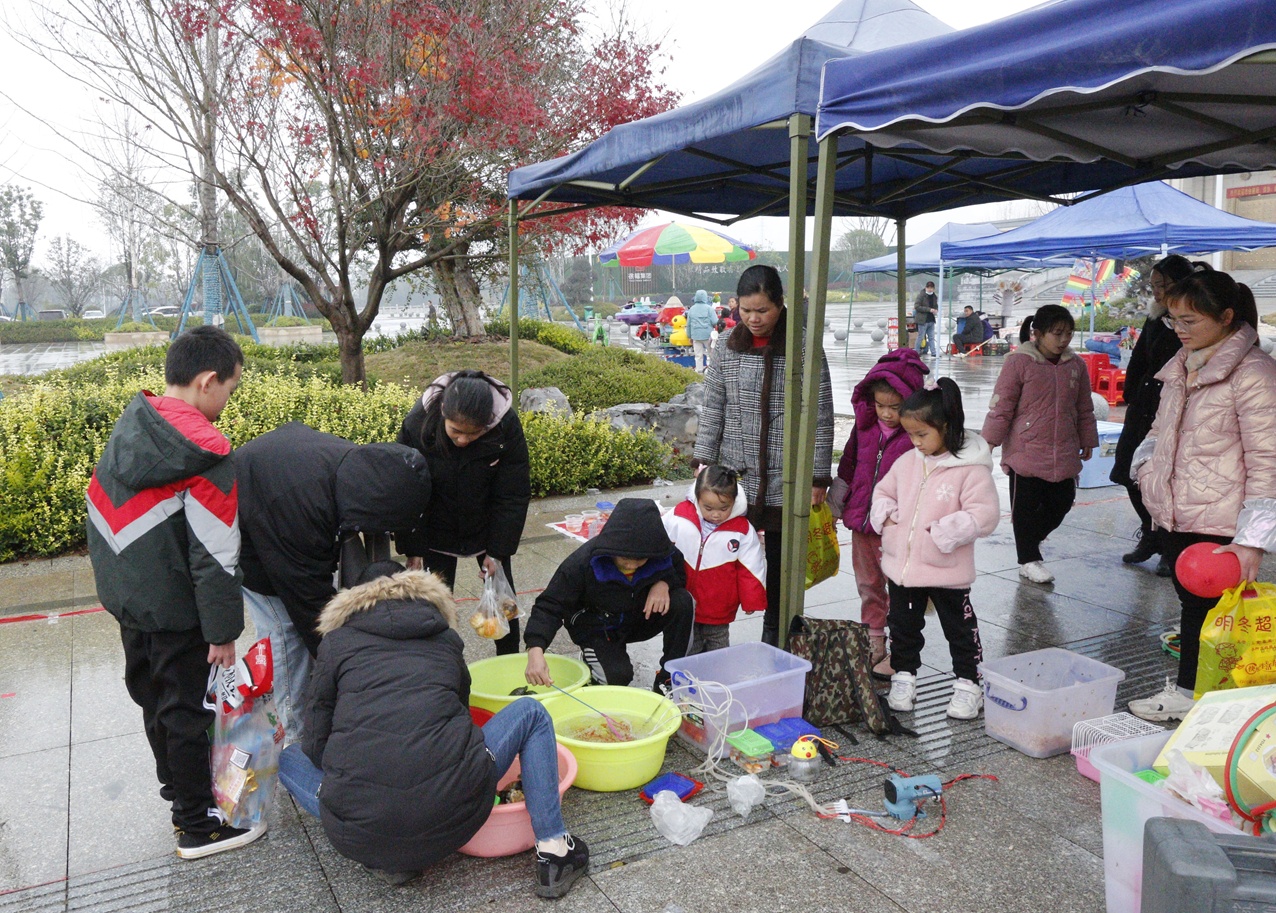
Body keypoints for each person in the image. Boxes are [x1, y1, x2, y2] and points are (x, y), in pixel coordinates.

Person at [278, 562, 590, 897]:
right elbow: (461, 712)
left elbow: (315, 739)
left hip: (361, 836)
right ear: (421, 595)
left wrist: (359, 770)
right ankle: (555, 851)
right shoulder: (444, 638)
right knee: (531, 711)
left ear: (354, 602)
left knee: (289, 758)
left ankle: (395, 859)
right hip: (458, 813)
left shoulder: (336, 645)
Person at [86, 326, 260, 859]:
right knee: (188, 711)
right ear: (208, 381)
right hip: (177, 611)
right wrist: (223, 632)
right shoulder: (206, 457)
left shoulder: (134, 427)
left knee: (155, 702)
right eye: (229, 388)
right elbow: (214, 557)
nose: (227, 402)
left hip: (130, 602)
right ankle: (198, 824)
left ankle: (176, 786)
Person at [1128, 270, 1276, 721]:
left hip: (1220, 518)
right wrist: (1144, 465)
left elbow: (1268, 461)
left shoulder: (1254, 374)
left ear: (1227, 316)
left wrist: (1252, 537)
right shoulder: (1183, 363)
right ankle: (1201, 696)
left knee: (1206, 613)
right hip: (1178, 508)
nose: (1179, 330)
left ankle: (1195, 699)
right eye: (1174, 320)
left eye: (1190, 321)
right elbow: (1161, 427)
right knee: (1195, 609)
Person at [236, 423, 432, 742]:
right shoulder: (302, 508)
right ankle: (295, 741)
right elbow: (309, 600)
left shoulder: (368, 469)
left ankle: (315, 709)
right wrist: (346, 668)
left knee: (316, 640)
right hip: (253, 533)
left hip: (284, 491)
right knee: (286, 634)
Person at [693, 264, 835, 646]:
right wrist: (704, 459)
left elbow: (820, 413)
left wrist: (817, 476)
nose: (754, 319)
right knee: (725, 554)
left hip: (785, 473)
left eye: (763, 311)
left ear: (781, 304)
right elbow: (714, 405)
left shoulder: (804, 345)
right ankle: (709, 630)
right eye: (746, 310)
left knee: (780, 562)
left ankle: (776, 635)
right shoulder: (725, 344)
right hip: (737, 469)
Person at [871, 379, 1000, 720]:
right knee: (902, 627)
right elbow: (883, 492)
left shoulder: (970, 469)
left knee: (959, 630)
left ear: (947, 426)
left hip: (947, 571)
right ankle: (903, 677)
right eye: (910, 434)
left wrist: (946, 532)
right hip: (903, 569)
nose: (915, 442)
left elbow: (985, 515)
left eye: (922, 435)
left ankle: (969, 685)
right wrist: (886, 514)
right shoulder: (908, 461)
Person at [396, 370, 531, 656]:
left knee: (503, 600)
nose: (463, 440)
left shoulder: (506, 425)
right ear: (443, 413)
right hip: (435, 525)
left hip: (486, 522)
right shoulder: (418, 423)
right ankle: (438, 664)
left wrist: (498, 550)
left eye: (474, 433)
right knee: (434, 604)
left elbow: (513, 494)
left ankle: (508, 660)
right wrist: (413, 547)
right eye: (455, 431)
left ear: (489, 423)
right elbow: (406, 490)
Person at [828, 348, 929, 678]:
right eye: (880, 405)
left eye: (895, 407)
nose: (886, 414)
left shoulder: (918, 437)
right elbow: (849, 464)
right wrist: (836, 501)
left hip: (897, 528)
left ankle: (901, 648)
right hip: (863, 523)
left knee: (901, 591)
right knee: (869, 585)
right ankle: (874, 639)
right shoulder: (865, 428)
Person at [524, 497, 693, 691]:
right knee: (616, 678)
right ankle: (596, 659)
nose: (631, 565)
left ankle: (668, 678)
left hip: (638, 617)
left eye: (640, 560)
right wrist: (535, 649)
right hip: (598, 626)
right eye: (625, 558)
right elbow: (549, 605)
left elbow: (680, 573)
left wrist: (664, 583)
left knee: (683, 601)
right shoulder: (582, 563)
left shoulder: (662, 552)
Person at [982, 304, 1098, 584]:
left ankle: (1030, 541)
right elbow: (1002, 406)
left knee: (1062, 501)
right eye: (1057, 333)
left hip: (1064, 447)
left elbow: (1085, 407)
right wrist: (989, 442)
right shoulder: (1018, 363)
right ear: (1037, 333)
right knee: (1024, 509)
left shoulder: (1076, 365)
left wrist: (1088, 438)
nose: (1063, 340)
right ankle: (1028, 559)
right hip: (1026, 449)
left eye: (1068, 334)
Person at [1111, 255, 1200, 577]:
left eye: (1164, 285)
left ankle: (1168, 544)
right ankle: (1150, 533)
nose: (1159, 292)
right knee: (1126, 471)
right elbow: (1138, 359)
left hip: (1175, 407)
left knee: (1165, 479)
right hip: (1144, 407)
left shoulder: (1191, 319)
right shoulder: (1155, 317)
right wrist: (1130, 395)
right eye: (1154, 286)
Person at [662, 466, 767, 655]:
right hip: (686, 599)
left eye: (723, 508)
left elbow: (751, 567)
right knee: (689, 644)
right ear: (697, 498)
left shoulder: (741, 530)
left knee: (718, 644)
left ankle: (718, 679)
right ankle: (690, 679)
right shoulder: (679, 516)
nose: (716, 514)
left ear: (734, 502)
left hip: (719, 603)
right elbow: (660, 545)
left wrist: (751, 600)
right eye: (708, 508)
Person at [686, 289, 716, 373]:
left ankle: (699, 371)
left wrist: (689, 336)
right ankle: (711, 372)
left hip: (695, 335)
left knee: (698, 355)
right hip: (708, 335)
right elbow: (715, 322)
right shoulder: (709, 309)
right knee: (711, 355)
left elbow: (688, 324)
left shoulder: (692, 309)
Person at [912, 281, 938, 357]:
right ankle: (916, 352)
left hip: (931, 320)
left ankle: (933, 352)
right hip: (922, 320)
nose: (930, 289)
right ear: (926, 287)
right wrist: (929, 309)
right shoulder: (921, 295)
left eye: (932, 288)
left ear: (934, 288)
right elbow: (917, 306)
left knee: (931, 337)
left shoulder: (934, 296)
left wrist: (936, 310)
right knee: (920, 336)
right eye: (928, 287)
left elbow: (936, 305)